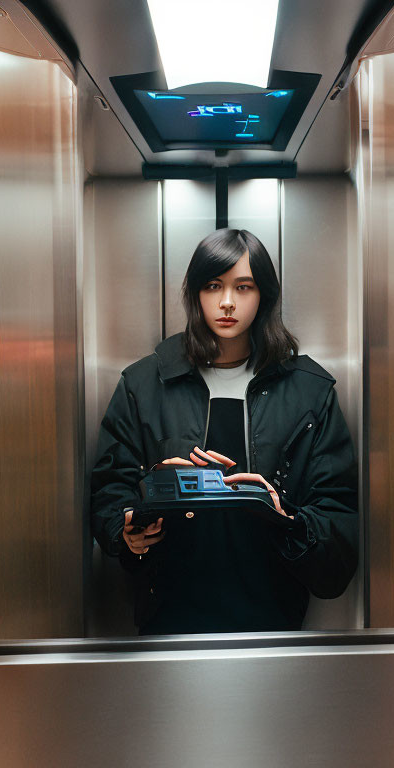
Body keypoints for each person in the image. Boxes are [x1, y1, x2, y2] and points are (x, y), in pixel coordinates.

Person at [90, 228, 358, 635]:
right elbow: (110, 490)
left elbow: (338, 521)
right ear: (195, 293)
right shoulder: (143, 384)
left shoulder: (309, 391)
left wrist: (279, 511)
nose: (227, 302)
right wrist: (133, 523)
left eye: (243, 287)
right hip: (167, 620)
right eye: (213, 285)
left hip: (274, 622)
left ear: (263, 294)